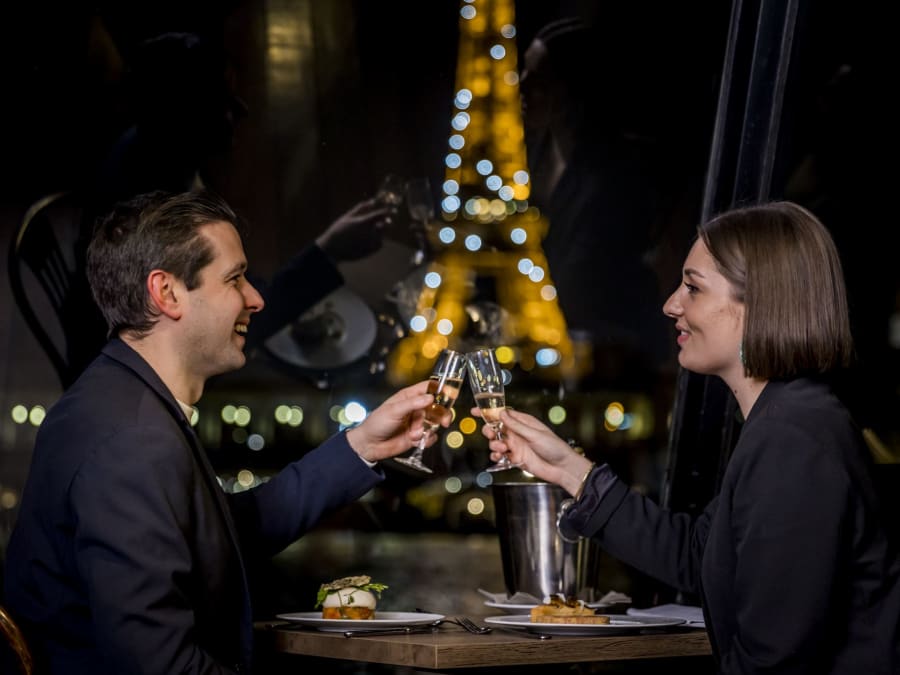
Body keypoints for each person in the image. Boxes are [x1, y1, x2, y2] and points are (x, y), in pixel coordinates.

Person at [3, 189, 442, 674]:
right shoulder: (132, 440)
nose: (255, 298)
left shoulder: (119, 403)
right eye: (235, 278)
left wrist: (363, 445)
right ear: (166, 293)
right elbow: (161, 668)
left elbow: (225, 531)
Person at [477, 201, 900, 673]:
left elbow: (774, 661)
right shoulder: (786, 420)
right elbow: (700, 555)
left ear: (759, 303)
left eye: (693, 288)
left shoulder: (792, 437)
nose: (671, 304)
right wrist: (569, 470)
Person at [62, 31, 393, 387]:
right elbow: (226, 324)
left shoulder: (161, 153)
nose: (241, 110)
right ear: (183, 113)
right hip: (139, 378)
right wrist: (328, 253)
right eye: (222, 101)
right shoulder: (154, 213)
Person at [519, 17, 671, 384]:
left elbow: (594, 276)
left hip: (609, 357)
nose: (522, 85)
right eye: (524, 70)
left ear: (573, 89)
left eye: (540, 78)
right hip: (552, 345)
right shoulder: (528, 154)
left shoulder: (622, 170)